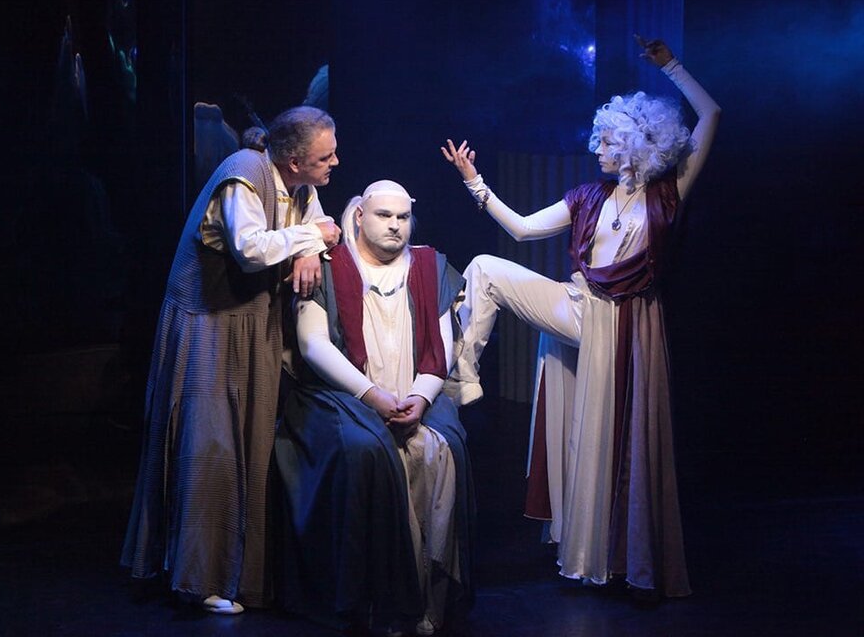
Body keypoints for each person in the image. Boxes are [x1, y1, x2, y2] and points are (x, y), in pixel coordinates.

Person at [440, 36, 720, 598]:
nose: (598, 148)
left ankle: (614, 558)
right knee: (486, 268)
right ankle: (461, 376)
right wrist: (474, 181)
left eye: (609, 141)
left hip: (623, 324)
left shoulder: (669, 194)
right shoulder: (588, 196)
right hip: (581, 308)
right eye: (600, 139)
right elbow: (522, 229)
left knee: (613, 441)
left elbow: (712, 114)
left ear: (638, 146)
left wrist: (670, 66)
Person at [121, 105, 342, 614]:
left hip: (253, 323)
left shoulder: (300, 186)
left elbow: (320, 223)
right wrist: (312, 239)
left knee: (251, 443)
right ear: (293, 160)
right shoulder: (242, 174)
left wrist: (311, 248)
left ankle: (236, 574)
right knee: (210, 449)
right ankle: (198, 579)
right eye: (325, 156)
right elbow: (250, 248)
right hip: (209, 324)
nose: (335, 163)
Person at [274, 180, 475, 635]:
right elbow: (312, 345)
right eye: (384, 215)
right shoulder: (328, 265)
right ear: (361, 216)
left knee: (444, 448)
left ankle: (428, 596)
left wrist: (420, 397)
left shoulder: (430, 266)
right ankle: (374, 603)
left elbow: (440, 349)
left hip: (413, 392)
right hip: (340, 395)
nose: (395, 226)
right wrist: (372, 396)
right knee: (365, 451)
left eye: (403, 217)